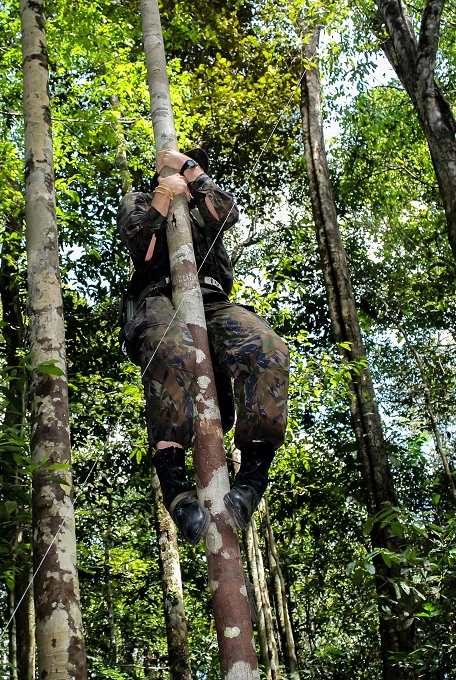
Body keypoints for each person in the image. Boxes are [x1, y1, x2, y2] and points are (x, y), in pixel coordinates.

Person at [117, 148, 289, 545]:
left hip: (212, 300)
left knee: (267, 348)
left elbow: (227, 213)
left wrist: (192, 174)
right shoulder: (141, 201)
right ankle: (176, 488)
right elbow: (140, 250)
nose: (182, 169)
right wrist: (163, 196)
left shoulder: (203, 199)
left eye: (188, 163)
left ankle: (252, 480)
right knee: (171, 349)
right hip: (161, 297)